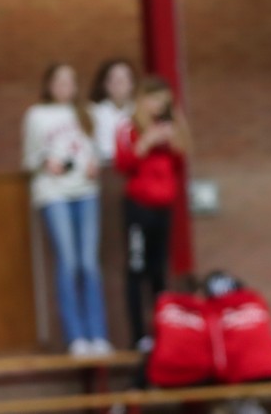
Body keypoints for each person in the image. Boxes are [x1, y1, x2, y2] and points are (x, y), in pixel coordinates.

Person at [22, 63, 112, 356]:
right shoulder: (37, 115)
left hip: (86, 191)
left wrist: (95, 163)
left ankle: (98, 334)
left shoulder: (89, 112)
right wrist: (46, 160)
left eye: (70, 81)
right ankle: (76, 337)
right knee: (69, 262)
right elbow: (29, 159)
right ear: (49, 85)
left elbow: (102, 150)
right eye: (59, 81)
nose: (65, 86)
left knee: (89, 264)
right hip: (54, 193)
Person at [115, 75, 191, 351]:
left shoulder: (170, 127)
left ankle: (162, 332)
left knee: (159, 271)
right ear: (143, 100)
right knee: (137, 269)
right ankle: (138, 336)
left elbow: (180, 163)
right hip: (139, 207)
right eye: (154, 99)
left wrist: (172, 138)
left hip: (163, 207)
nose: (159, 105)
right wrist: (146, 142)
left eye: (163, 100)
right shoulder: (129, 128)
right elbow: (123, 163)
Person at [90, 58, 137, 166]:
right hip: (106, 166)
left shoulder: (140, 111)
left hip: (134, 166)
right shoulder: (94, 112)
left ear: (132, 83)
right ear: (105, 84)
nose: (118, 84)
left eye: (123, 79)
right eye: (114, 80)